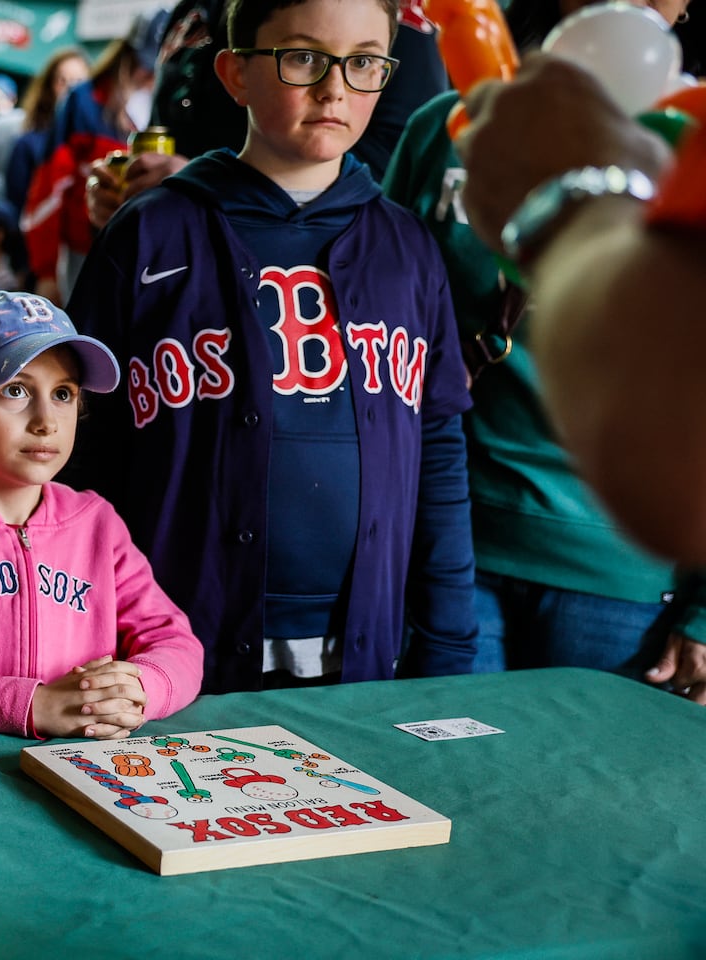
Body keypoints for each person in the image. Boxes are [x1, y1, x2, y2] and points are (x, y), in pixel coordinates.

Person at [67, 0, 477, 694]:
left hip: (362, 653)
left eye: (364, 62)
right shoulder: (149, 234)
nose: (335, 87)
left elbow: (438, 450)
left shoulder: (409, 249)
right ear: (235, 74)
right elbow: (81, 452)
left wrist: (447, 640)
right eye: (303, 58)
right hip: (169, 650)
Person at [380, 0, 704, 688]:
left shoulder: (695, 144)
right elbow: (372, 300)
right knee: (449, 782)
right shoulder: (449, 127)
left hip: (625, 568)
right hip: (447, 536)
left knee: (587, 790)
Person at [457, 53, 706, 698]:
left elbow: (673, 488)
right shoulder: (461, 119)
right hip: (468, 535)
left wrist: (574, 202)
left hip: (619, 569)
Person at [0, 292, 204, 738]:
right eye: (16, 391)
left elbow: (175, 641)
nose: (46, 420)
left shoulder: (97, 524)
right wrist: (32, 706)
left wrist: (137, 686)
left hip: (85, 762)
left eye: (63, 394)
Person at [85, 0, 449, 229]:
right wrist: (130, 186)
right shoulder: (189, 12)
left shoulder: (379, 11)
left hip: (328, 258)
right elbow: (163, 130)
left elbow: (400, 158)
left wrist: (204, 185)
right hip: (173, 245)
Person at [21, 8, 169, 304]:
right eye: (143, 63)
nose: (148, 74)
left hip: (152, 255)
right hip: (83, 250)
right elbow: (50, 187)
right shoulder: (83, 101)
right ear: (126, 52)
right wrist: (46, 271)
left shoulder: (171, 101)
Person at [3, 47, 89, 215]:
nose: (70, 90)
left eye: (78, 82)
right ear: (49, 87)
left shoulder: (100, 143)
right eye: (62, 81)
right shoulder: (27, 144)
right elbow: (16, 208)